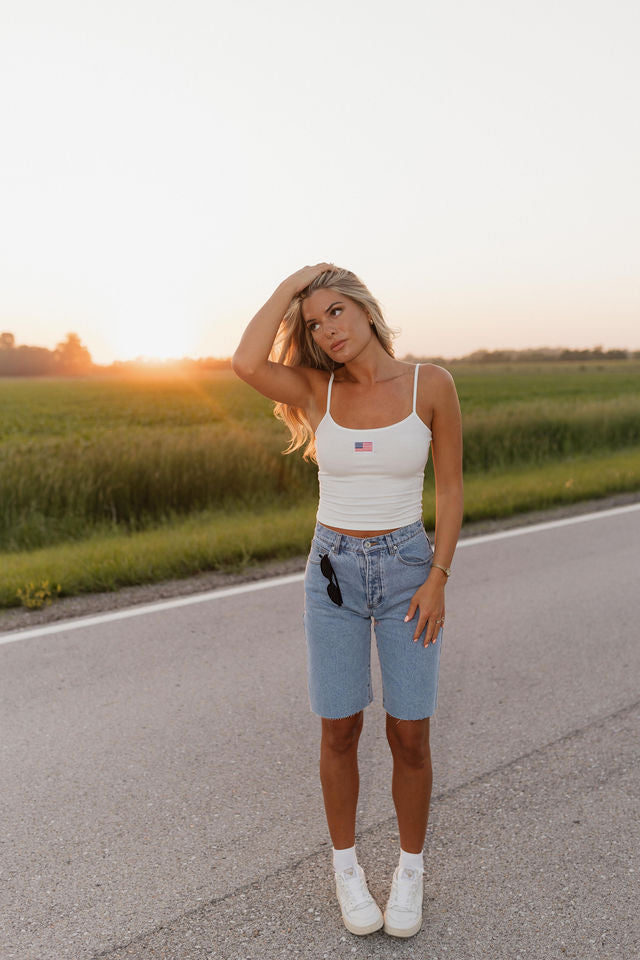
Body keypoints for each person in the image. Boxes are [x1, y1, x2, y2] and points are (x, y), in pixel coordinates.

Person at [232, 263, 463, 939]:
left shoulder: (432, 385)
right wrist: (292, 284)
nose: (326, 330)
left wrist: (438, 577)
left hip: (408, 571)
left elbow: (448, 491)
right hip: (330, 571)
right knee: (339, 728)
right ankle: (346, 869)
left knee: (410, 732)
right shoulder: (314, 388)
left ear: (365, 310)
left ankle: (411, 872)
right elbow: (245, 362)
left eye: (335, 312)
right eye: (312, 323)